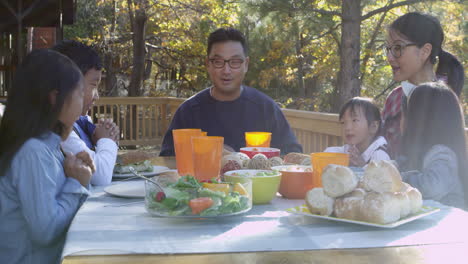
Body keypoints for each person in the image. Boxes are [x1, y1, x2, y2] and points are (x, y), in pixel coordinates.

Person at [0, 49, 94, 264]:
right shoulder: (32, 151)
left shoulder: (49, 146)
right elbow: (46, 232)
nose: (84, 102)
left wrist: (82, 178)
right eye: (80, 93)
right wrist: (75, 183)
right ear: (55, 97)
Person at [160, 28, 302, 156]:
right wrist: (210, 153)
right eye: (218, 61)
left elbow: (293, 154)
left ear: (246, 65)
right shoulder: (188, 111)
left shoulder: (265, 108)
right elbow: (167, 160)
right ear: (208, 65)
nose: (226, 70)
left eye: (235, 62)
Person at [381, 12, 465, 159]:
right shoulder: (394, 98)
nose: (389, 57)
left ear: (425, 51)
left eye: (398, 48)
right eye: (388, 48)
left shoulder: (442, 100)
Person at [53, 40, 120, 186]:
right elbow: (101, 176)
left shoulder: (79, 122)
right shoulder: (57, 126)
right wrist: (107, 140)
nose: (96, 96)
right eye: (94, 85)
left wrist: (97, 140)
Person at [399, 82, 467, 209]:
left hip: (450, 224)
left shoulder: (442, 152)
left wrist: (398, 179)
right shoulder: (420, 152)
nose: (401, 120)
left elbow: (434, 187)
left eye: (404, 114)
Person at [324, 97, 390, 167]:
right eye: (343, 122)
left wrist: (362, 165)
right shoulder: (349, 149)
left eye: (354, 120)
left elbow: (379, 177)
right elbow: (330, 153)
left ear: (373, 127)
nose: (347, 127)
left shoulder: (380, 155)